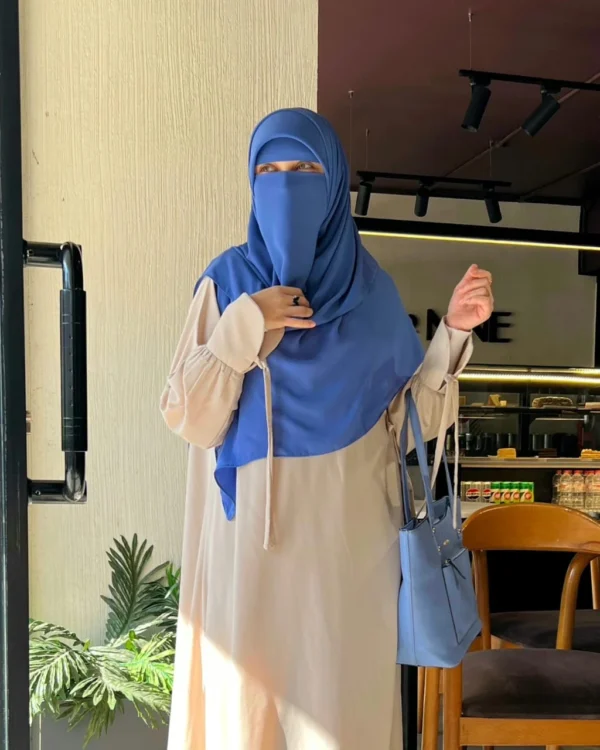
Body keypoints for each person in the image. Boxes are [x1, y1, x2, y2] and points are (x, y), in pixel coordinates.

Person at [161, 108, 493, 750]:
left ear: (336, 182)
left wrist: (453, 332)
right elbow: (190, 418)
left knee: (342, 715)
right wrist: (244, 325)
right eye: (270, 171)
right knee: (245, 714)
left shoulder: (372, 294)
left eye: (305, 169)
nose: (287, 186)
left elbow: (407, 427)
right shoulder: (227, 282)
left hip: (350, 551)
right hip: (249, 553)